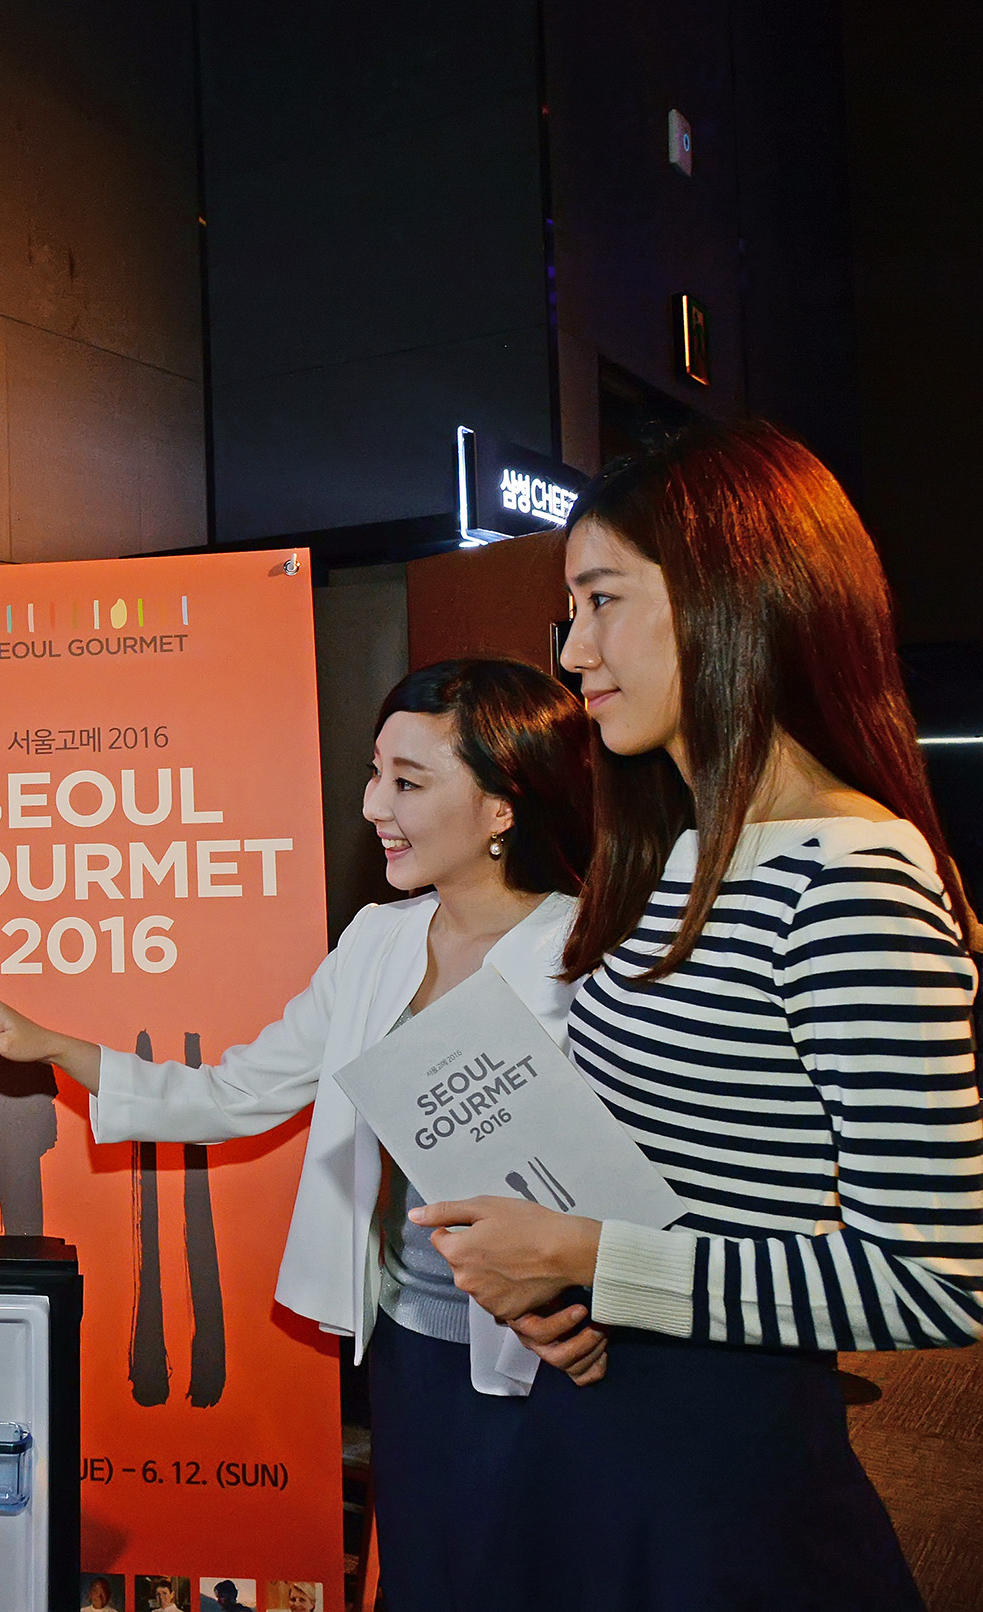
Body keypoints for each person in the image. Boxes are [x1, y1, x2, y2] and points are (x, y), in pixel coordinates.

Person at [413, 420, 983, 1607]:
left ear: (734, 598)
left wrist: (585, 1259)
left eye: (600, 601)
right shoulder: (677, 850)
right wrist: (558, 1294)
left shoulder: (847, 874)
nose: (573, 651)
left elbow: (932, 1279)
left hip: (721, 1471)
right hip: (601, 1420)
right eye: (568, 611)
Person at [0, 658, 601, 1611]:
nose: (373, 805)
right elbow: (240, 1091)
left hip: (554, 1355)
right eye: (375, 773)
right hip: (409, 1345)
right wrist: (54, 1048)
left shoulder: (595, 952)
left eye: (409, 783)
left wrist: (600, 1300)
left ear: (503, 806)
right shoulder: (377, 941)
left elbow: (645, 1178)